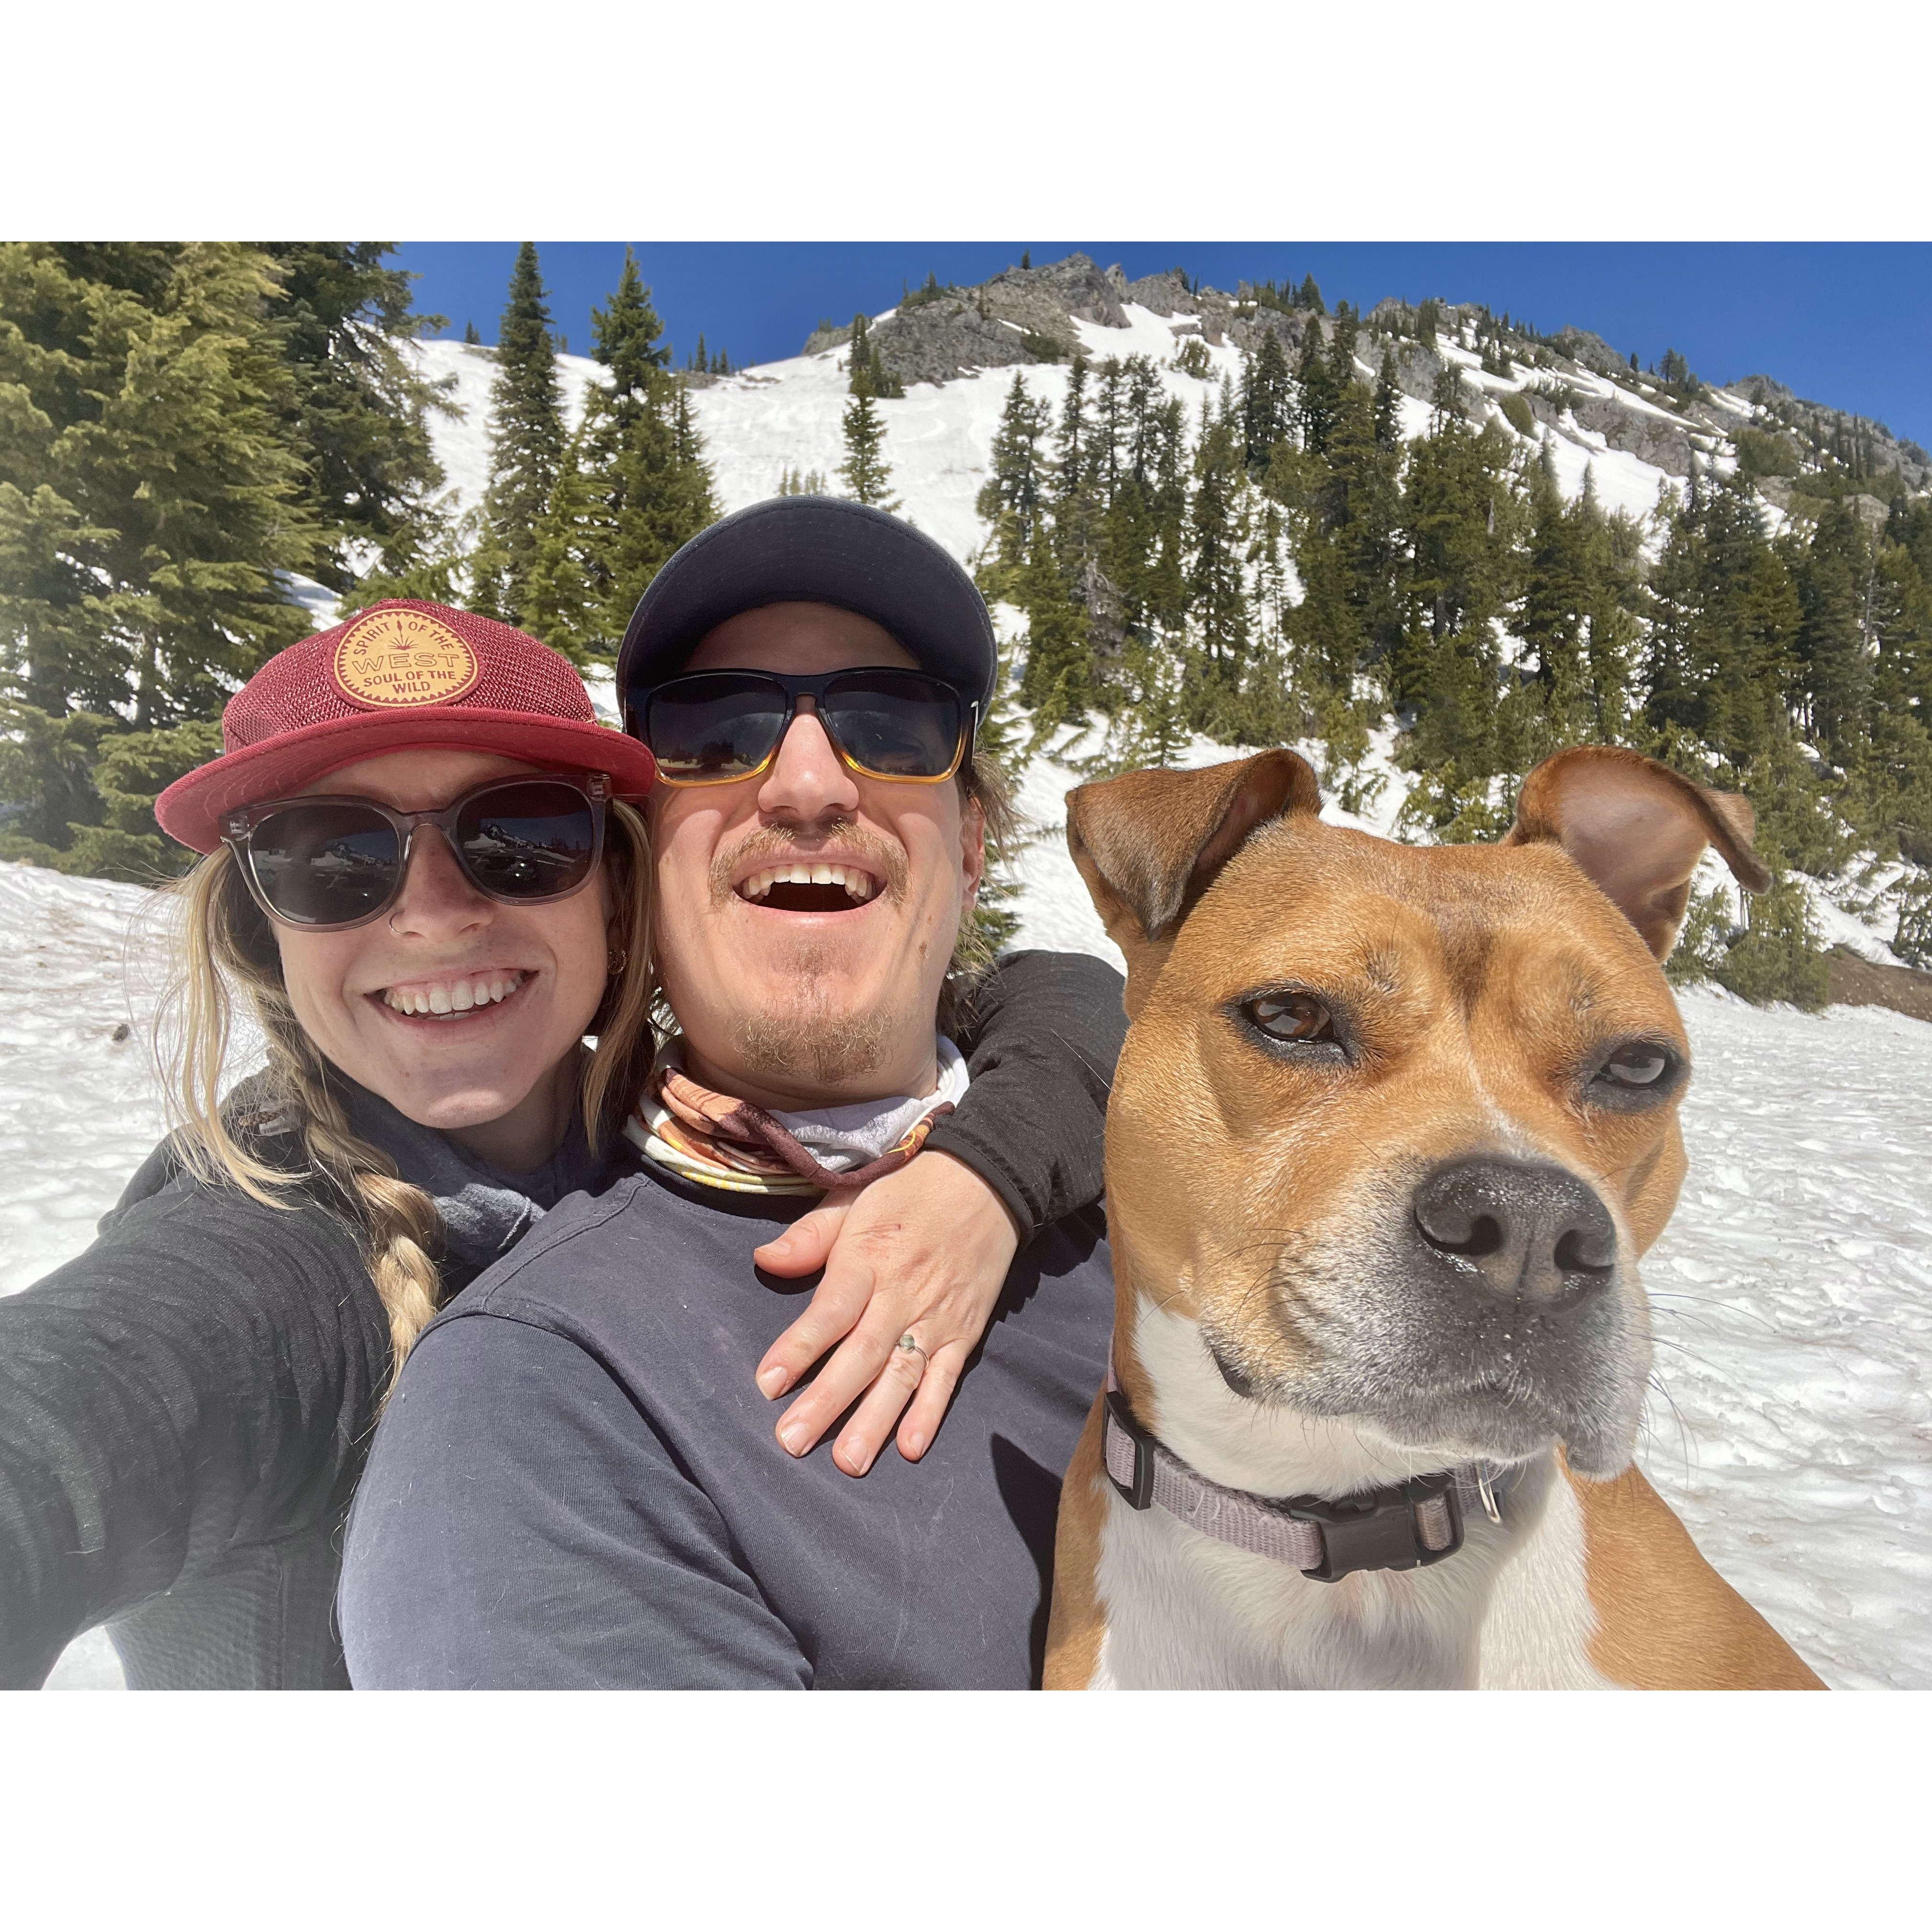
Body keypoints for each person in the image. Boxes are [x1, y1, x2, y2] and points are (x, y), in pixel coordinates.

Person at [0, 592, 1122, 1690]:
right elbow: (64, 1424)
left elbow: (1055, 996)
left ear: (613, 891)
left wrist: (990, 1176)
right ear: (263, 927)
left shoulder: (684, 1132)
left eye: (519, 836)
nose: (433, 913)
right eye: (331, 857)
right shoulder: (263, 1262)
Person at [339, 500, 1125, 1689]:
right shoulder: (543, 1405)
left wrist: (995, 1170)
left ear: (972, 849)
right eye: (715, 731)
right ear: (637, 857)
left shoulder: (1175, 1165)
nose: (808, 783)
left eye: (892, 723)